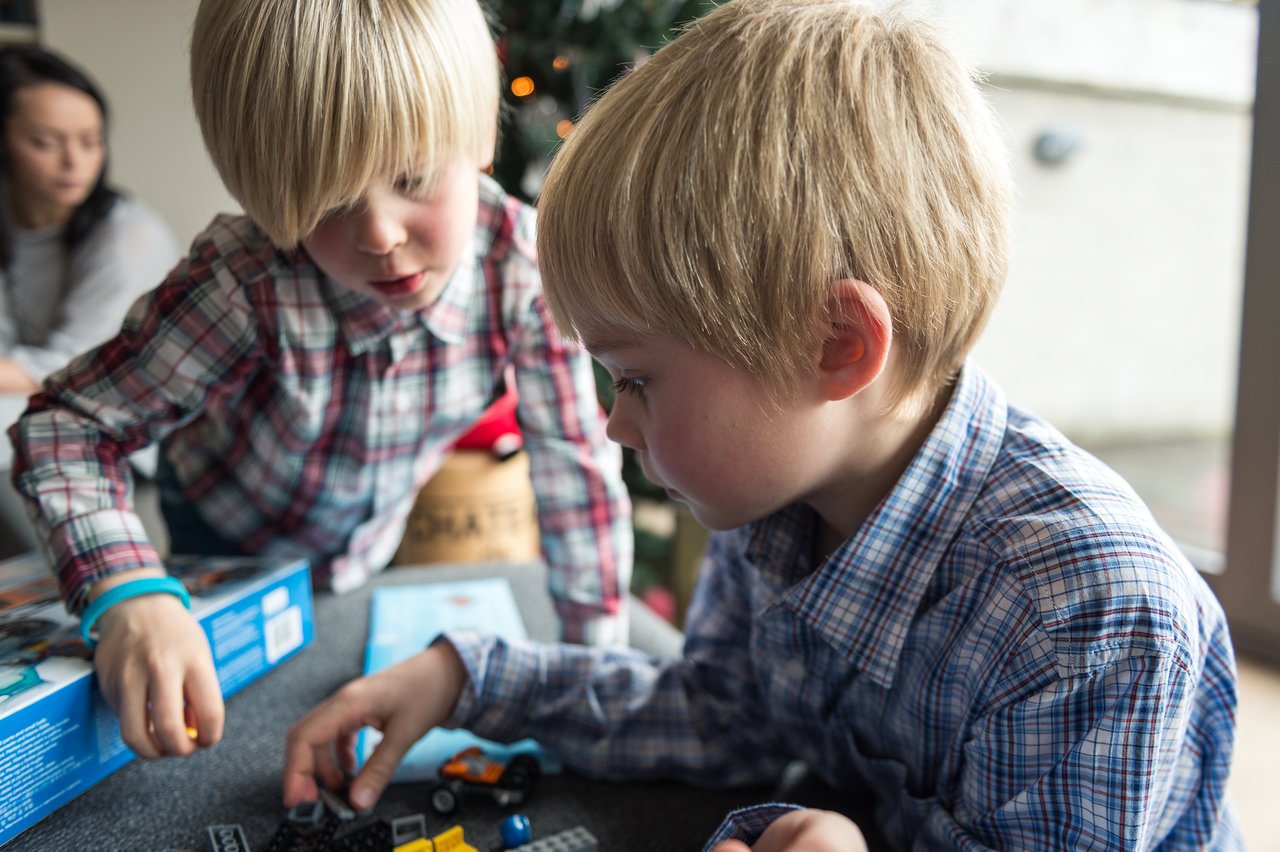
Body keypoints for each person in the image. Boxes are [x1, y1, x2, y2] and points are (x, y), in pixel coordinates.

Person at [279, 1, 1241, 849]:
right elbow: (726, 716)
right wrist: (468, 679)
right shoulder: (783, 487)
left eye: (640, 379)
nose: (614, 424)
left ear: (834, 345)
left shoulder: (1093, 618)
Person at [8, 0, 631, 762]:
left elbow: (576, 470)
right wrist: (129, 591)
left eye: (410, 175)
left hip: (368, 547)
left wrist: (596, 670)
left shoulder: (525, 268)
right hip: (222, 538)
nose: (380, 235)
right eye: (329, 199)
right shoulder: (245, 276)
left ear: (478, 139)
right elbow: (64, 426)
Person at [0, 45, 179, 394]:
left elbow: (76, 366)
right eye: (45, 143)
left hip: (99, 424)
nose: (74, 161)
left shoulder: (130, 237)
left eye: (90, 142)